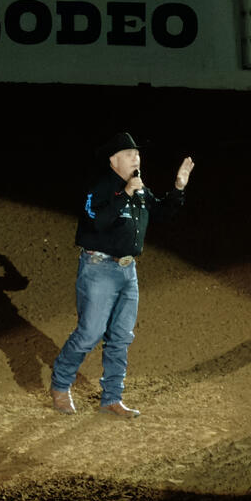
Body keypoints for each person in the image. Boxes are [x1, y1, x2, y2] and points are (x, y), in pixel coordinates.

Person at [49, 132, 193, 418]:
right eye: (130, 154)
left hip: (128, 272)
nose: (136, 158)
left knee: (121, 336)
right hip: (98, 269)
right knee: (90, 333)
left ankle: (112, 398)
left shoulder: (139, 189)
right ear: (114, 160)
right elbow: (97, 221)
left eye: (137, 154)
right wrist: (125, 192)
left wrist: (178, 188)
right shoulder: (101, 188)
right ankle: (60, 385)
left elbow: (162, 213)